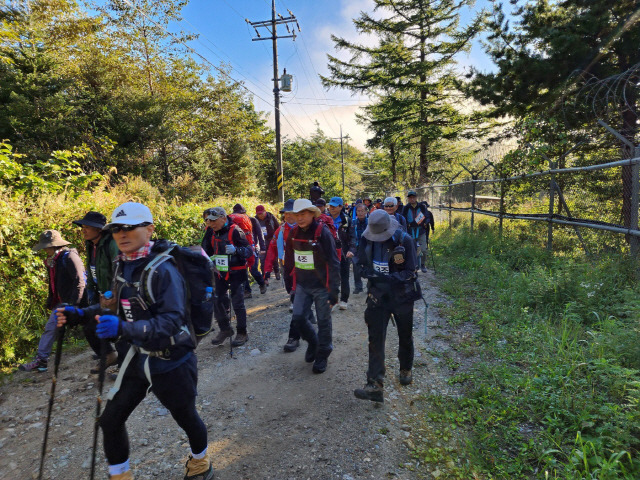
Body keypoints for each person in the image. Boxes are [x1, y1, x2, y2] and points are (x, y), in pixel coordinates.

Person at [56, 202, 213, 480]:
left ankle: (200, 464)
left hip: (172, 360)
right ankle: (120, 476)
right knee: (110, 420)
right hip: (137, 357)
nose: (122, 234)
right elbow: (113, 306)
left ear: (150, 229)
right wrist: (79, 314)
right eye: (116, 228)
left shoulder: (163, 270)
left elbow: (171, 322)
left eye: (130, 227)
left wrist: (123, 329)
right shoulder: (122, 265)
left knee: (186, 417)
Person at [353, 209, 420, 403]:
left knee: (405, 335)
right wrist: (365, 272)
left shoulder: (404, 240)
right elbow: (361, 261)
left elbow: (410, 271)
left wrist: (389, 278)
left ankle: (405, 367)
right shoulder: (367, 239)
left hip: (402, 296)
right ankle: (375, 384)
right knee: (375, 339)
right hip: (378, 297)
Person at [284, 199, 340, 374]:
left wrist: (334, 291)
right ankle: (313, 342)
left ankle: (323, 353)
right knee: (298, 318)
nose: (299, 218)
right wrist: (289, 286)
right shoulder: (293, 233)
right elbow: (289, 262)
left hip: (322, 287)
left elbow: (333, 262)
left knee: (323, 322)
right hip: (302, 285)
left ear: (311, 213)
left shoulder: (322, 233)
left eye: (303, 214)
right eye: (297, 214)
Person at [18, 230, 86, 372]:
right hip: (62, 303)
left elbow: (80, 281)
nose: (44, 249)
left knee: (92, 328)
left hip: (79, 302)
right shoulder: (52, 261)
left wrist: (75, 304)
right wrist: (52, 300)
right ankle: (41, 361)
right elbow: (53, 283)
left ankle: (108, 353)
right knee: (50, 328)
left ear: (54, 246)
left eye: (46, 247)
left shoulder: (69, 257)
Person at [72, 211, 120, 374]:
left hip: (113, 296)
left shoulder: (111, 243)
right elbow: (91, 270)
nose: (83, 230)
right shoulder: (91, 244)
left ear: (99, 229)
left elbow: (117, 269)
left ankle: (125, 366)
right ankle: (108, 355)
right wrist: (91, 290)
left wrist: (114, 293)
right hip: (99, 294)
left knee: (117, 329)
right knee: (89, 324)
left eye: (87, 227)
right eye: (83, 227)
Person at [263, 199, 315, 352]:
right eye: (286, 214)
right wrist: (267, 270)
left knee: (297, 301)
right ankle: (308, 315)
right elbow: (272, 249)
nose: (288, 216)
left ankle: (294, 337)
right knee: (295, 297)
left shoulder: (311, 229)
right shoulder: (281, 231)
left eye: (291, 213)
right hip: (288, 269)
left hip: (307, 272)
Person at [207, 207, 253, 347]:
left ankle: (242, 333)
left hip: (237, 272)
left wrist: (236, 250)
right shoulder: (213, 233)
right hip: (220, 272)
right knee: (216, 299)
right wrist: (210, 260)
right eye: (209, 220)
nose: (211, 223)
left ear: (223, 218)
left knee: (237, 303)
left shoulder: (236, 231)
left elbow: (249, 251)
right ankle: (225, 329)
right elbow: (210, 250)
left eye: (214, 220)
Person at [232, 203, 267, 297]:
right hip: (241, 249)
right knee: (243, 270)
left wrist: (263, 248)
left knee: (253, 269)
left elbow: (260, 234)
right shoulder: (233, 222)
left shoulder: (252, 220)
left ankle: (262, 283)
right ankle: (247, 291)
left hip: (253, 247)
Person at [327, 196, 352, 310]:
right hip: (330, 253)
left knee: (344, 277)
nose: (331, 208)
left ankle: (344, 300)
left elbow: (353, 237)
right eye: (330, 205)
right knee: (331, 277)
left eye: (334, 206)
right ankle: (332, 301)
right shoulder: (325, 219)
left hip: (344, 253)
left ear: (341, 207)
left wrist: (352, 250)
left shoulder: (347, 220)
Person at [402, 190, 435, 273]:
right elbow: (403, 218)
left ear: (416, 197)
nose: (412, 199)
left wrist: (426, 223)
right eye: (410, 198)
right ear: (408, 199)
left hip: (421, 231)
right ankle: (412, 265)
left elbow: (427, 216)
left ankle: (423, 264)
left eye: (413, 197)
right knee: (410, 249)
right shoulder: (406, 208)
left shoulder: (422, 207)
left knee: (423, 249)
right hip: (410, 232)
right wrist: (407, 225)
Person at [346, 203, 368, 295]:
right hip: (356, 248)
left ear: (366, 212)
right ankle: (358, 287)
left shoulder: (370, 223)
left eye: (362, 211)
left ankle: (370, 286)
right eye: (358, 211)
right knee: (356, 267)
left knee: (369, 266)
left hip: (368, 247)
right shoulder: (353, 223)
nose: (360, 213)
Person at [255, 205, 280, 284]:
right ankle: (265, 277)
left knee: (274, 258)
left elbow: (277, 228)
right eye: (259, 214)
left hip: (272, 240)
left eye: (261, 213)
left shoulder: (271, 217)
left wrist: (276, 239)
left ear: (265, 211)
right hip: (261, 241)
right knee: (263, 260)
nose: (260, 215)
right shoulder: (255, 220)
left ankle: (276, 271)